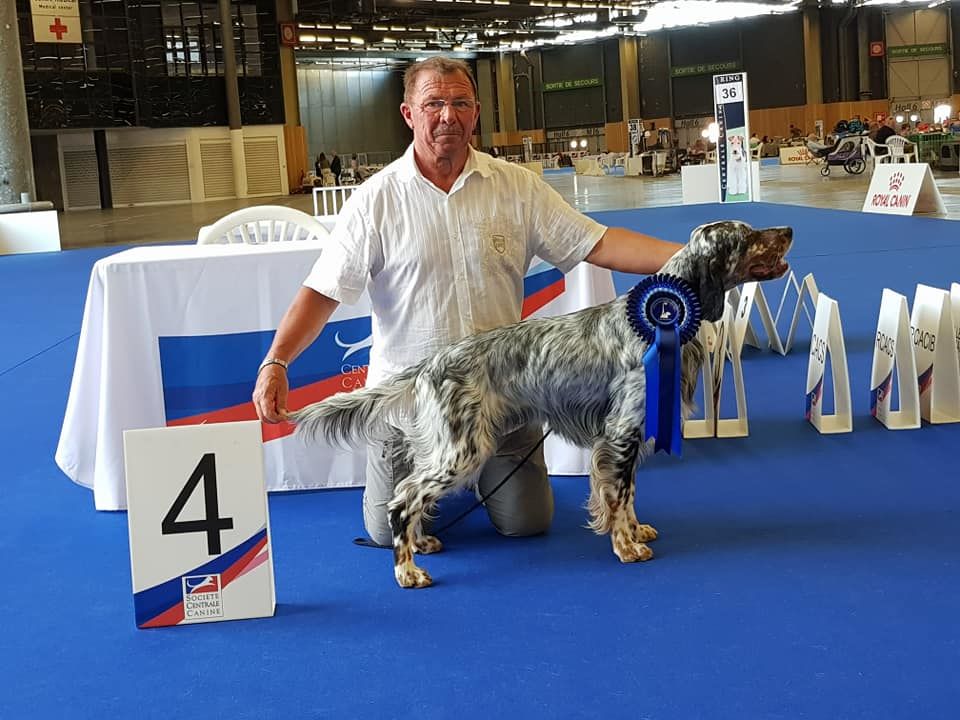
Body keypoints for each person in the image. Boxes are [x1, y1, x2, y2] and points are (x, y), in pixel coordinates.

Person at [252, 57, 683, 547]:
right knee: (384, 531)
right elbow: (322, 291)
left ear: (476, 113)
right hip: (412, 400)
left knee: (528, 522)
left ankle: (477, 476)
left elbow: (597, 243)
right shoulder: (375, 200)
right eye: (433, 103)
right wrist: (277, 361)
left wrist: (691, 257)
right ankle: (452, 475)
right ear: (408, 113)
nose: (447, 116)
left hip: (503, 394)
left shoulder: (516, 187)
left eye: (460, 103)